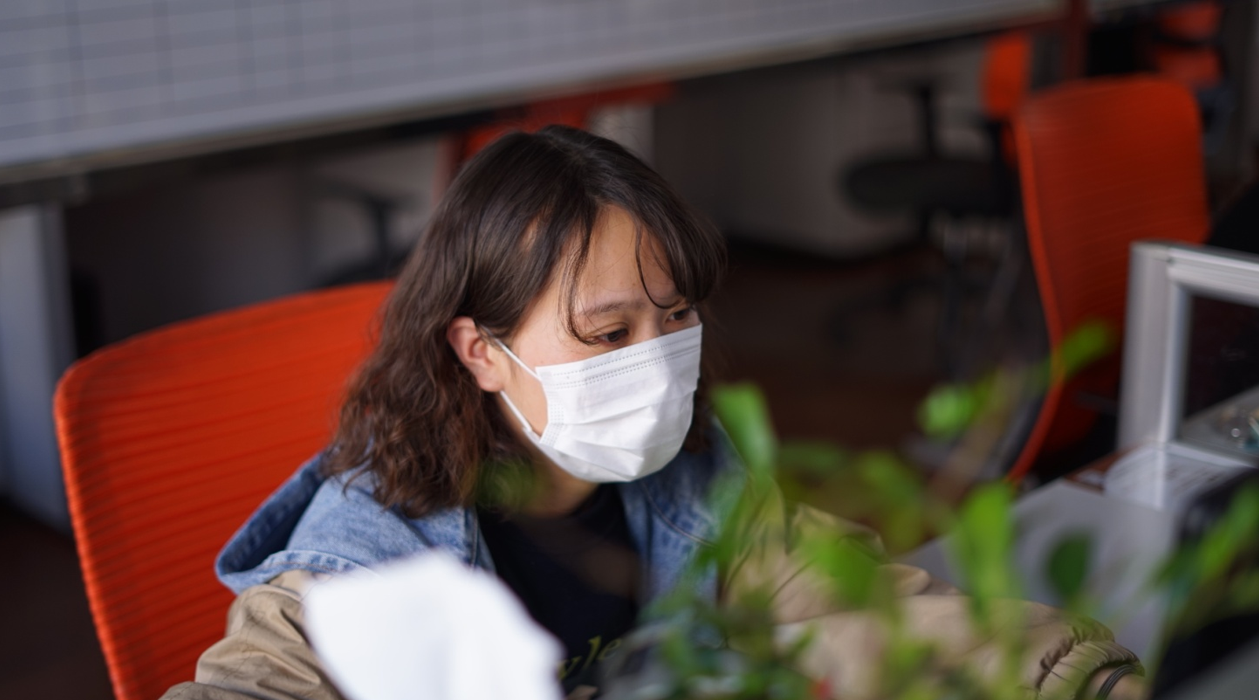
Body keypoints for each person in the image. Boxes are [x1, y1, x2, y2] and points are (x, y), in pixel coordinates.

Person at [162, 126, 1143, 700]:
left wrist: (1075, 675)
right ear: (480, 352)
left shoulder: (693, 478)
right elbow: (264, 674)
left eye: (674, 317)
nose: (657, 359)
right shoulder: (367, 549)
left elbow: (853, 605)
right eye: (606, 331)